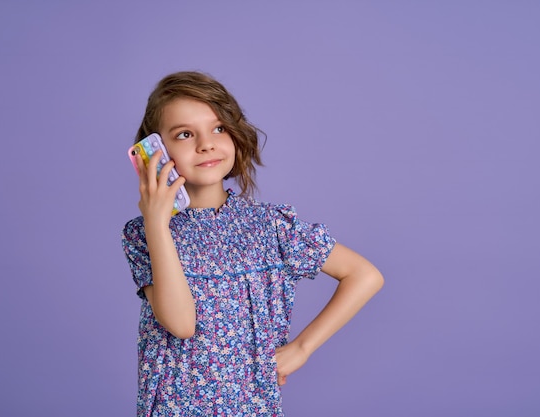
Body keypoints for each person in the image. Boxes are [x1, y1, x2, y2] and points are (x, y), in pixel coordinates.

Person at [122, 71, 384, 416]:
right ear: (154, 151)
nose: (206, 144)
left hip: (251, 406)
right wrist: (158, 223)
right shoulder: (144, 233)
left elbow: (364, 276)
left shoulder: (271, 226)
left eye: (218, 128)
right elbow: (181, 324)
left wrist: (302, 348)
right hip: (172, 406)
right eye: (185, 134)